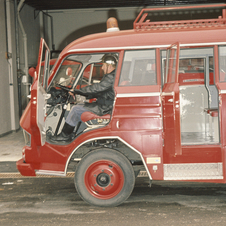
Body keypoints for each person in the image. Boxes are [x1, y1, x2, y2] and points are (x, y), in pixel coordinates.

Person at [51, 53, 118, 142]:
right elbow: (99, 92)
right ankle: (71, 134)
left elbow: (96, 88)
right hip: (105, 105)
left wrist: (77, 91)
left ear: (109, 66)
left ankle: (65, 136)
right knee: (80, 106)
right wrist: (81, 93)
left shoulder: (111, 77)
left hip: (104, 108)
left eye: (103, 66)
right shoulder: (112, 76)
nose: (102, 68)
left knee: (75, 109)